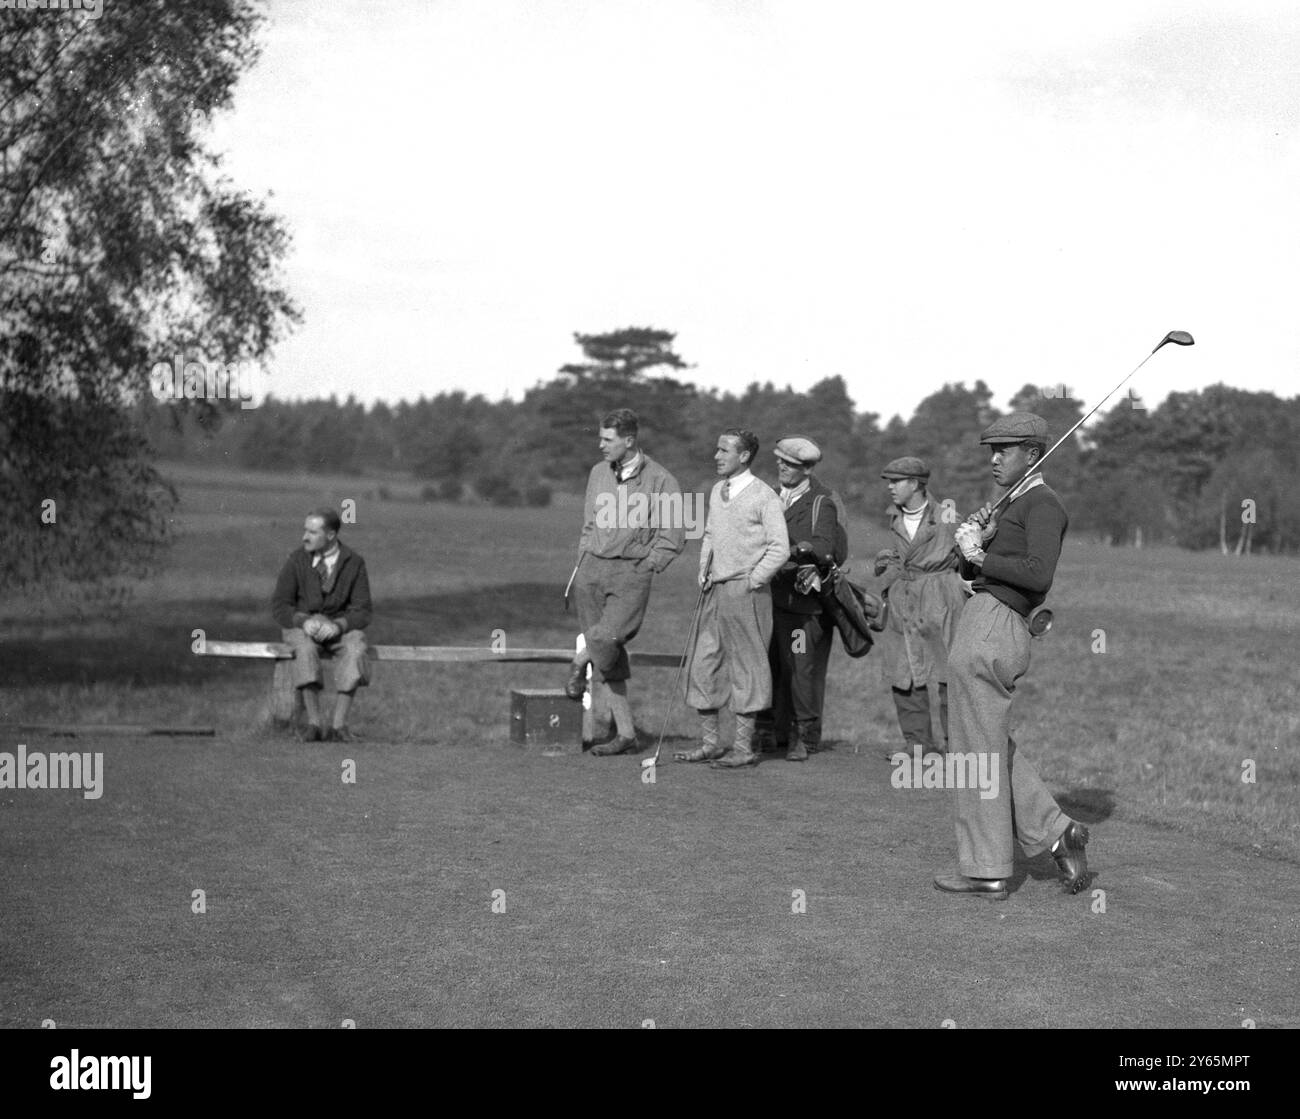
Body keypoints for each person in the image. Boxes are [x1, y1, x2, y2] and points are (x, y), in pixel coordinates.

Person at [935, 412, 1090, 899]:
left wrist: (982, 557)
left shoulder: (1044, 503)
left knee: (975, 751)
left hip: (997, 624)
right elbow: (980, 571)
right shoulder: (1010, 505)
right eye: (992, 451)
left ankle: (987, 869)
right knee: (984, 742)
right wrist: (970, 546)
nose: (996, 459)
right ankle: (1056, 830)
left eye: (1007, 450)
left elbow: (1038, 574)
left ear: (1034, 454)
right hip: (984, 618)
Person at [565, 408, 685, 756]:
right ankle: (627, 735)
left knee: (604, 638)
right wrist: (582, 561)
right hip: (591, 572)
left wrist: (648, 565)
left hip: (631, 573)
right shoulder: (597, 473)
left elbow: (675, 535)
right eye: (600, 438)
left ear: (629, 441)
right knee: (609, 653)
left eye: (607, 439)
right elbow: (589, 524)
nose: (600, 445)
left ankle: (578, 661)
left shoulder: (662, 480)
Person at [674, 429, 788, 770]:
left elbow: (779, 547)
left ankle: (743, 748)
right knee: (704, 663)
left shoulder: (764, 496)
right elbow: (710, 533)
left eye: (724, 450)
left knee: (746, 668)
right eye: (717, 449)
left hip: (747, 592)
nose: (716, 455)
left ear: (744, 456)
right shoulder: (716, 491)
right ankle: (710, 744)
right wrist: (703, 569)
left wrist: (753, 580)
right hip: (715, 589)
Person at [874, 457, 967, 757]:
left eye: (896, 481)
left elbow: (970, 552)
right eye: (888, 481)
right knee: (903, 672)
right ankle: (918, 746)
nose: (889, 487)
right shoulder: (894, 517)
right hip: (904, 598)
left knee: (947, 675)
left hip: (941, 597)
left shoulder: (947, 515)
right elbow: (904, 556)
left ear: (915, 484)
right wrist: (887, 563)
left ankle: (957, 749)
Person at [760, 435, 842, 762]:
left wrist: (790, 551)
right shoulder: (770, 496)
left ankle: (803, 735)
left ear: (806, 469)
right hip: (769, 599)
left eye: (790, 464)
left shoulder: (821, 502)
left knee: (798, 667)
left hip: (801, 606)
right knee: (773, 666)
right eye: (779, 460)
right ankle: (772, 732)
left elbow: (825, 547)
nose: (782, 467)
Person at [271, 508, 373, 743]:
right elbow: (280, 605)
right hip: (303, 629)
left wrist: (339, 625)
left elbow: (363, 611)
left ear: (330, 536)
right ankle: (314, 725)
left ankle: (339, 727)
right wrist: (303, 621)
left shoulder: (354, 563)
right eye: (305, 530)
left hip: (338, 630)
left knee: (356, 648)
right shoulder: (296, 560)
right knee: (305, 650)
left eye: (312, 532)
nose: (304, 537)